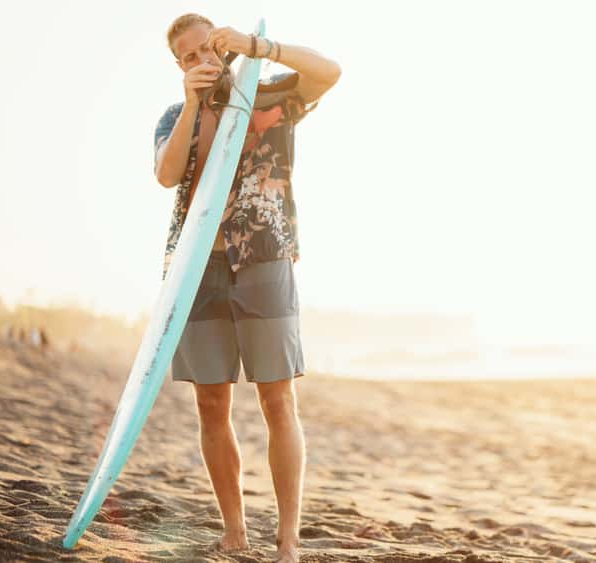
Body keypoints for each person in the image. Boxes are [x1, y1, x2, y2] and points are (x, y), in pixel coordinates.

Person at [153, 13, 340, 563]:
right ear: (179, 66)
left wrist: (259, 46)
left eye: (206, 47)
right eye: (187, 56)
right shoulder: (173, 115)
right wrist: (192, 104)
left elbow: (330, 72)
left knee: (277, 398)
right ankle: (234, 531)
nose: (201, 59)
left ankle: (287, 540)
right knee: (212, 403)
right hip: (197, 271)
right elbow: (167, 175)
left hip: (264, 259)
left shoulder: (267, 94)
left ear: (222, 43)